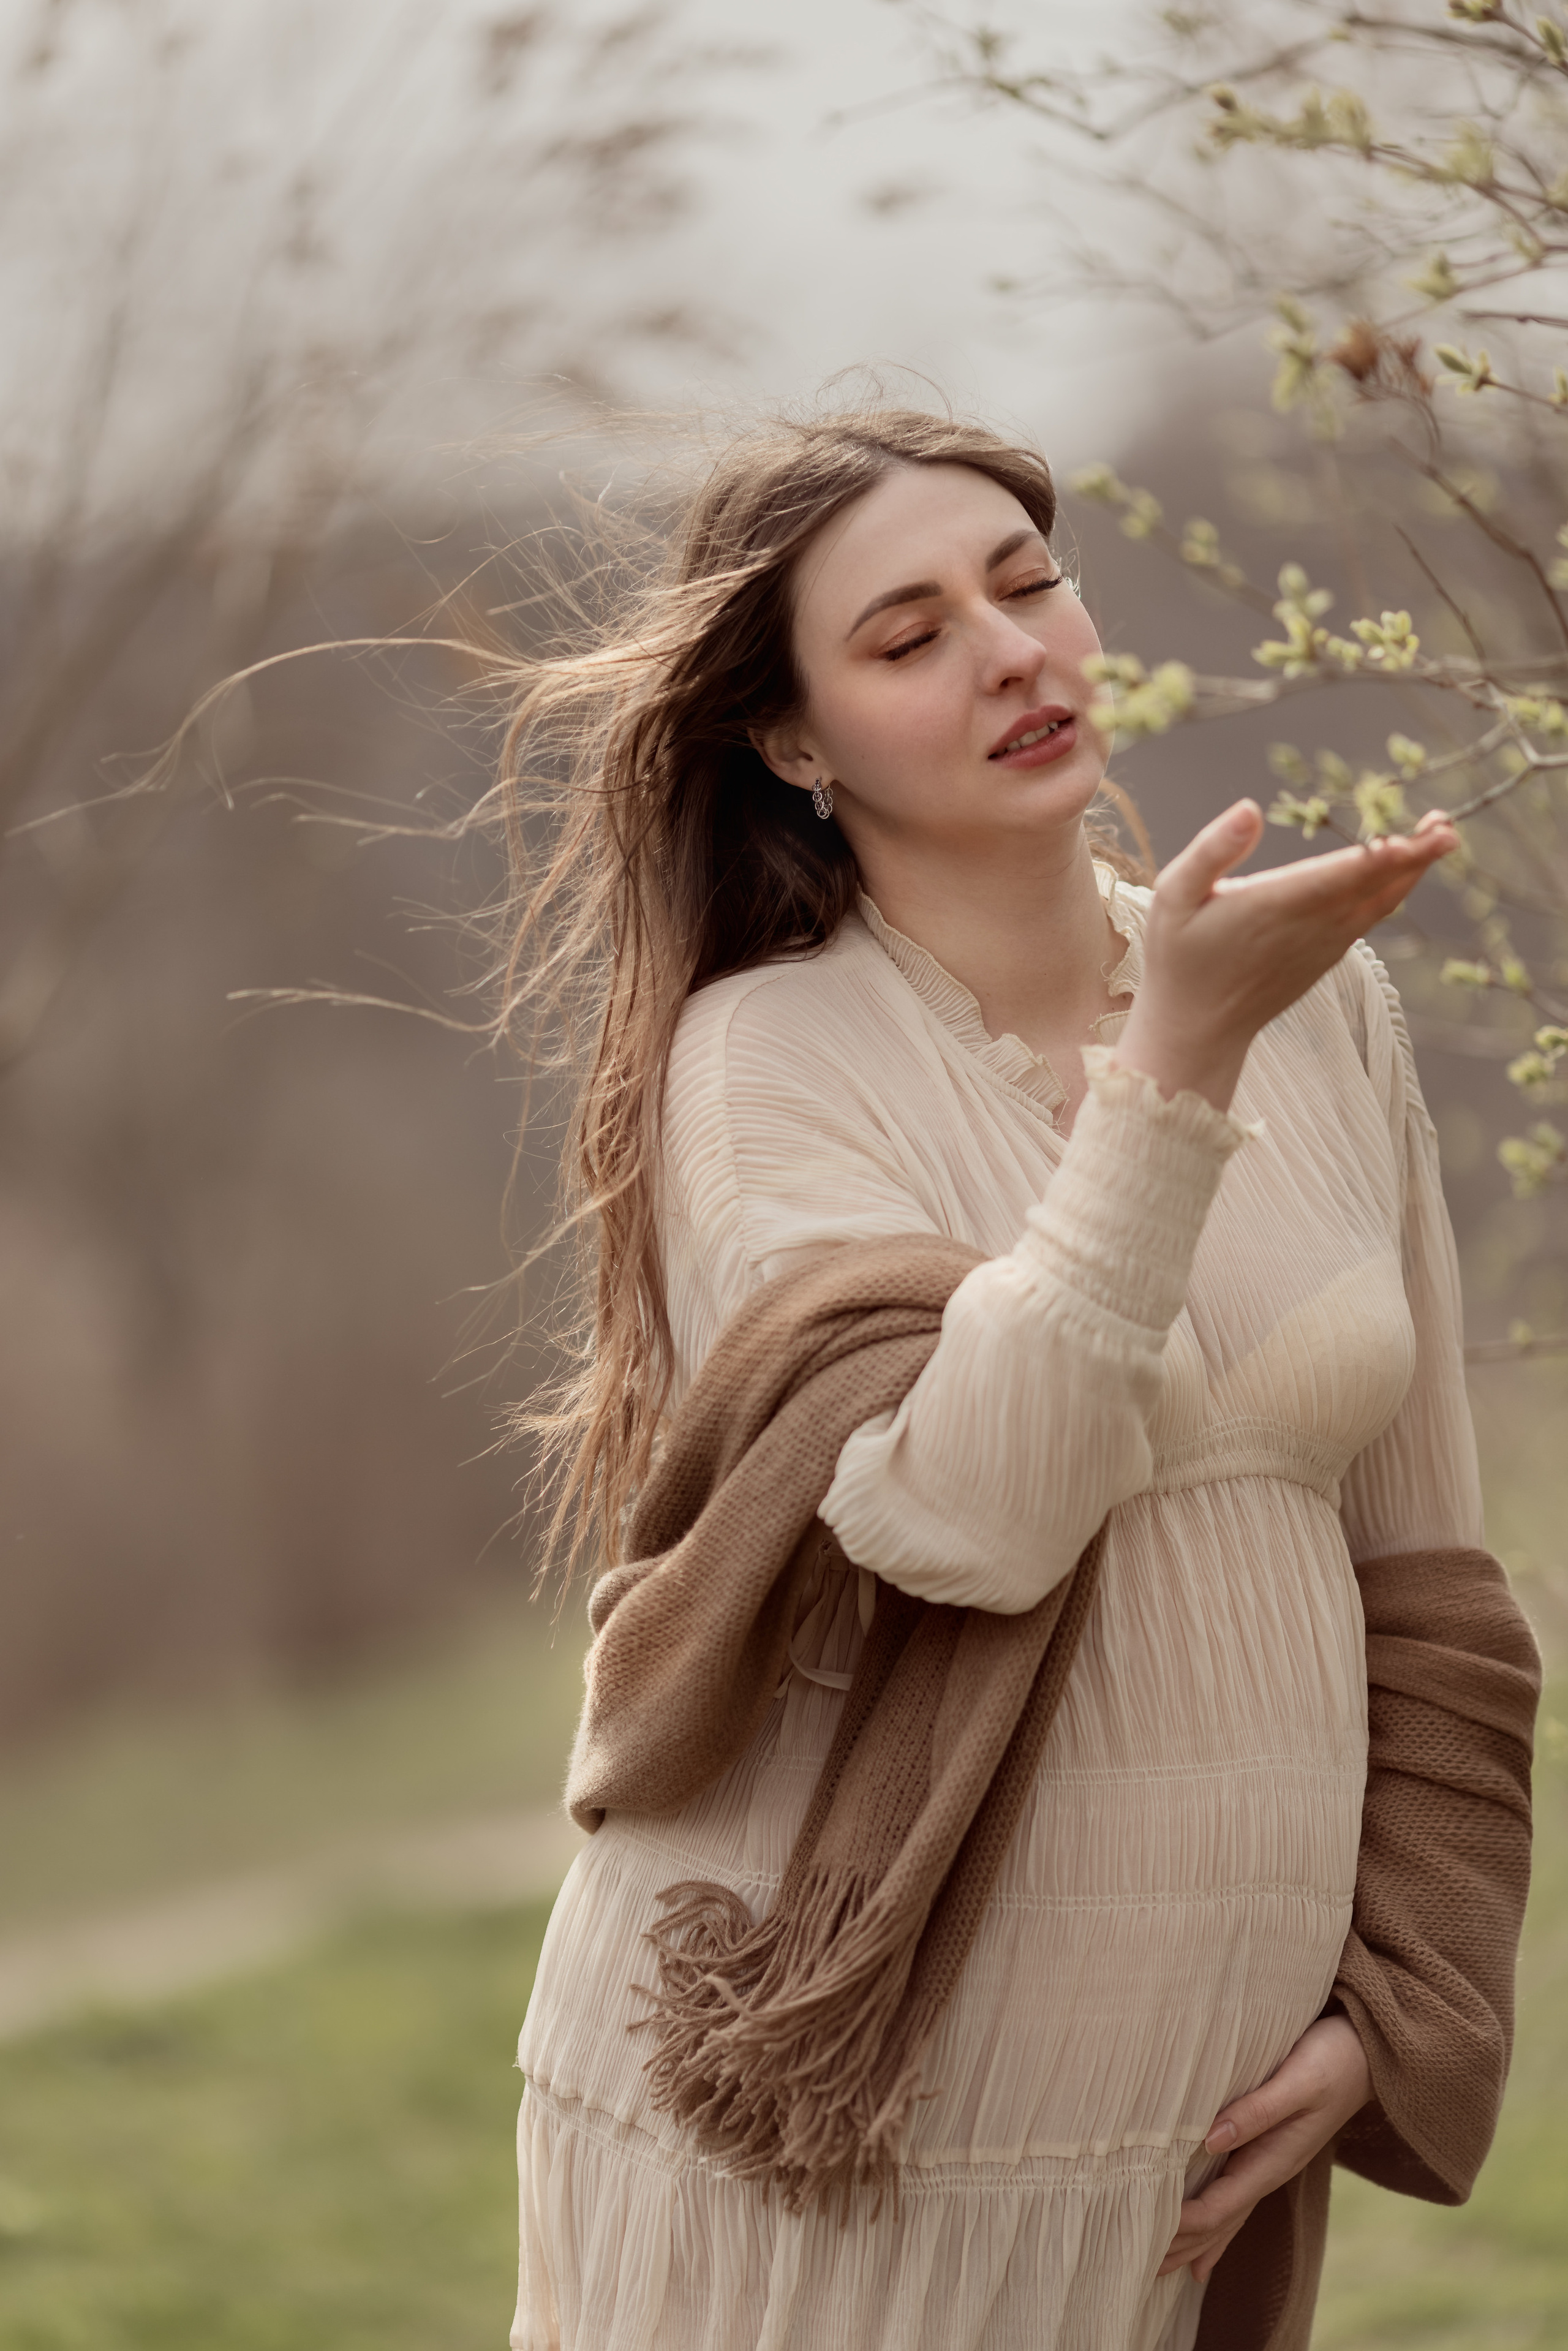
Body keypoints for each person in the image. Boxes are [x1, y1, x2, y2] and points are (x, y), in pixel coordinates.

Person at [503, 406, 1479, 2351]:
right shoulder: (766, 1068)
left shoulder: (1325, 1006)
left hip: (1179, 2146)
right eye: (911, 633)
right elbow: (966, 1515)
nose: (1014, 650)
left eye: (1028, 585)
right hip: (822, 2143)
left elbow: (1432, 1586)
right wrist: (1170, 1074)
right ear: (793, 741)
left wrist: (1409, 1998)